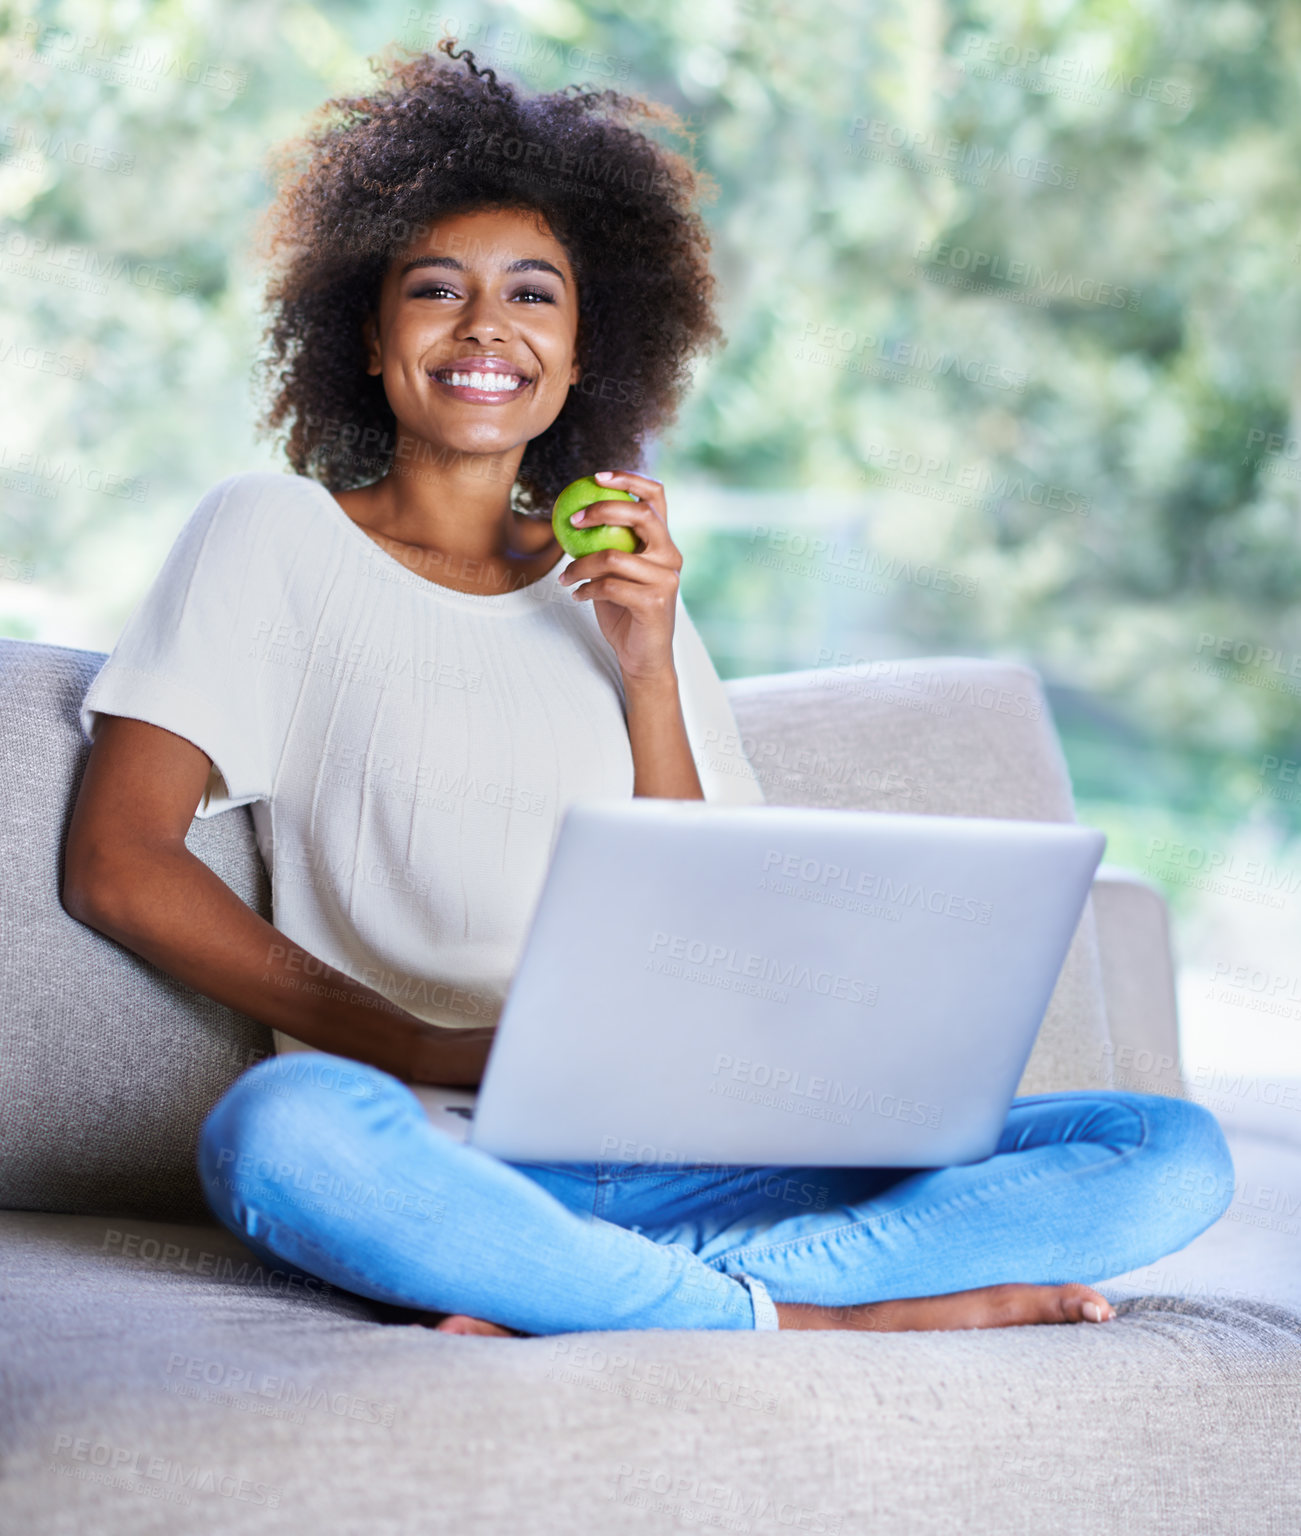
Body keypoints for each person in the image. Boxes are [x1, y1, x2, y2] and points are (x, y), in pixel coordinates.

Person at [62, 40, 1233, 1338]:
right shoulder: (267, 537)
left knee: (1165, 1148)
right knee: (277, 1137)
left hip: (701, 1147)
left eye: (533, 295)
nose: (485, 326)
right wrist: (410, 1042)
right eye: (434, 288)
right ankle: (804, 1312)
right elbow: (119, 862)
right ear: (368, 330)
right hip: (441, 1143)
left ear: (582, 353)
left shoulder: (626, 594)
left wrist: (645, 669)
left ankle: (606, 1290)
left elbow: (714, 918)